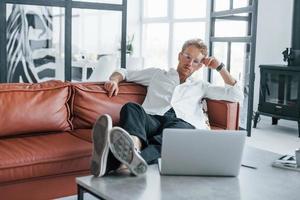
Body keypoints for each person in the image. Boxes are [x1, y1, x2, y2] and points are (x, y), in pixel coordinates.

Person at [90, 38, 243, 177]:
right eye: (187, 56)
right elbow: (124, 72)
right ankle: (134, 144)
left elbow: (236, 95)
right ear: (179, 55)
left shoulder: (201, 86)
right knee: (131, 107)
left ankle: (115, 161)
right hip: (152, 120)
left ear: (200, 66)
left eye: (196, 61)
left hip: (180, 124)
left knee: (179, 132)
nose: (189, 63)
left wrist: (220, 67)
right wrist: (114, 81)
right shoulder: (157, 74)